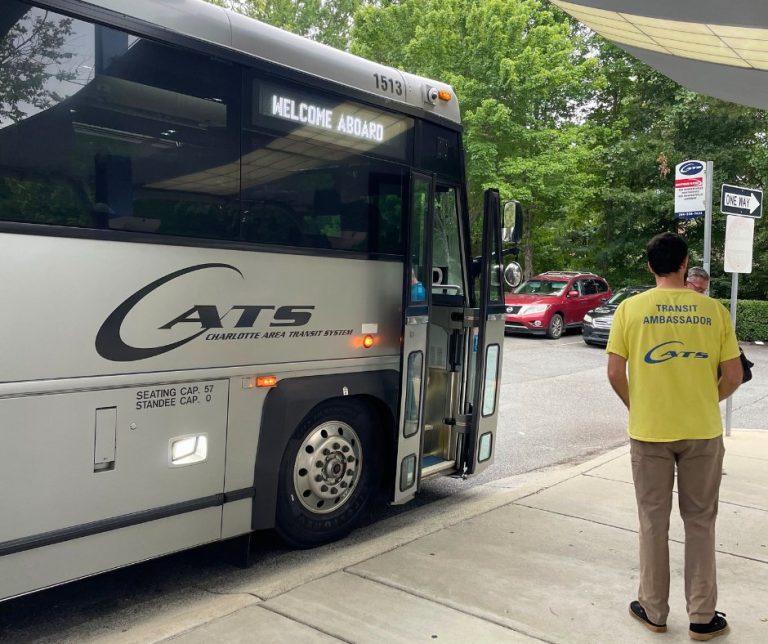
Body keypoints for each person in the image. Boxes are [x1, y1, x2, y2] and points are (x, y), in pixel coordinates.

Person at [606, 232, 742, 641]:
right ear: (685, 264)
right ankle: (702, 617)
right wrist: (704, 398)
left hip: (650, 433)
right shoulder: (713, 311)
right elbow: (733, 375)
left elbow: (615, 372)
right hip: (702, 431)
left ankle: (653, 609)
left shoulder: (630, 309)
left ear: (650, 266)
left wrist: (639, 406)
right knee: (701, 521)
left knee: (652, 522)